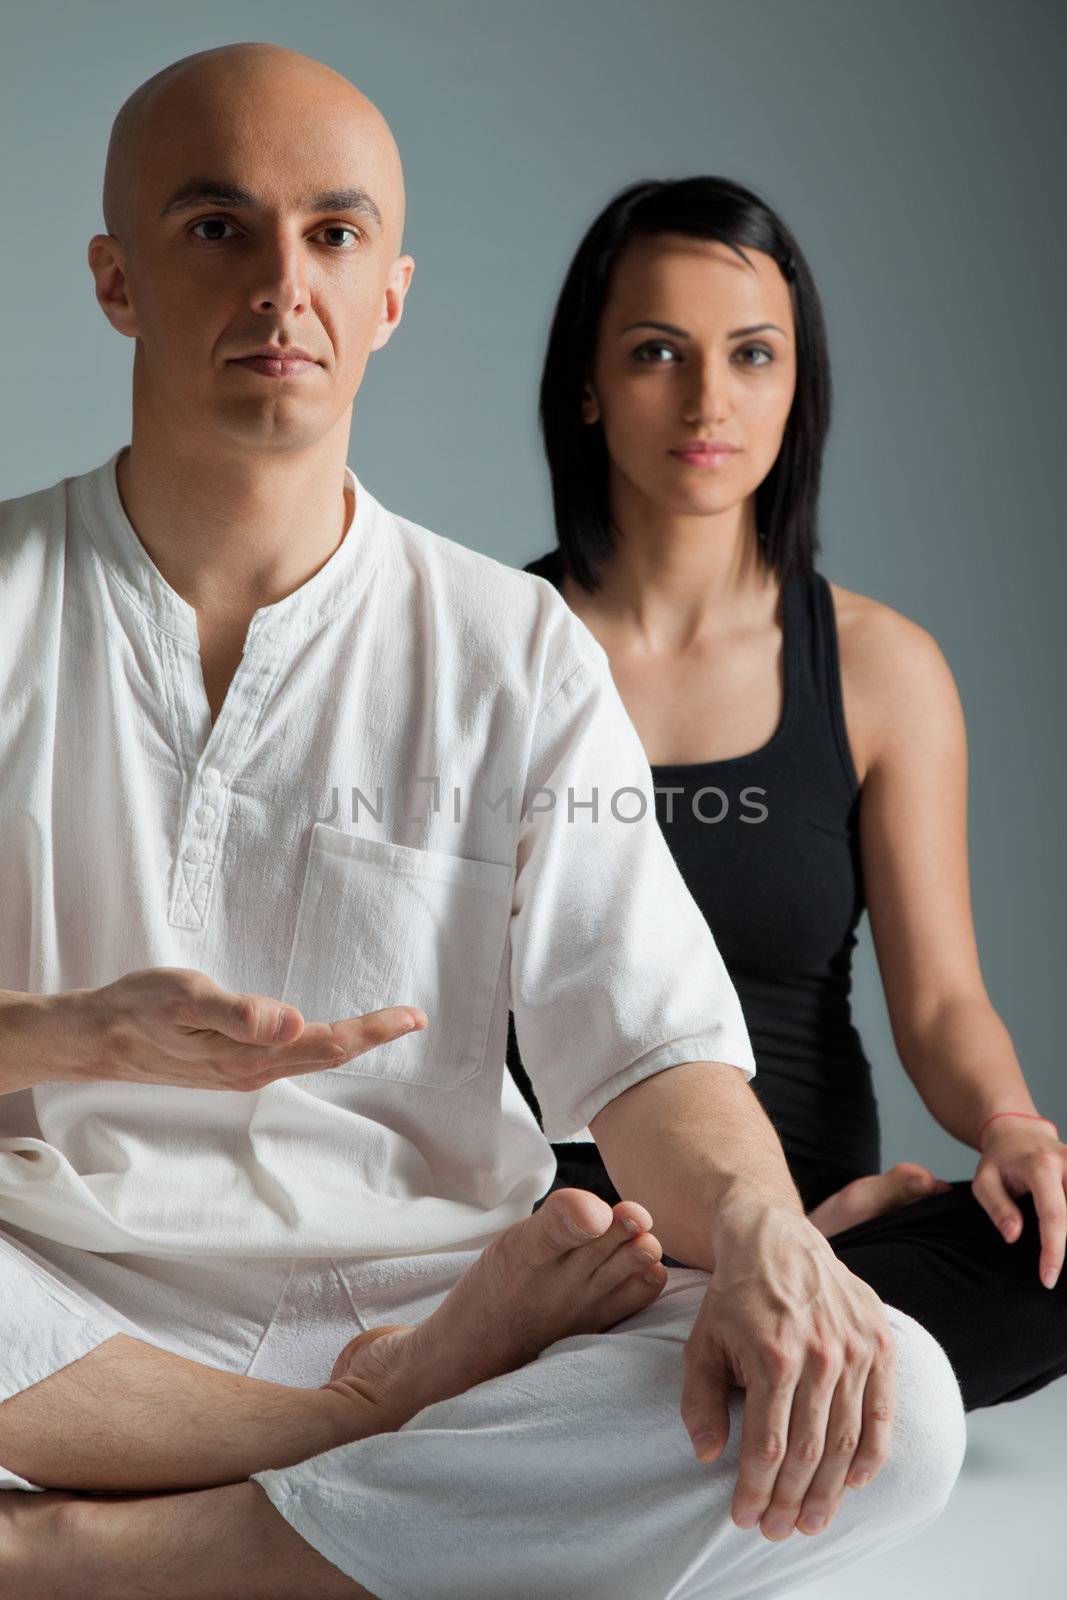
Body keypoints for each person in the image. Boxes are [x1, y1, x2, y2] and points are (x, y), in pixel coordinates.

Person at [0, 46, 968, 1599]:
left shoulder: (511, 650)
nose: (279, 286)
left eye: (330, 235)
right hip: (56, 1301)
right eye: (215, 230)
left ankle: (93, 1555)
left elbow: (648, 1052)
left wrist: (772, 1237)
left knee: (896, 1411)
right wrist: (76, 1038)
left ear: (388, 295)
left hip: (433, 1282)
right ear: (117, 280)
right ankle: (358, 1440)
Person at [508, 174, 1067, 1417]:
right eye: (657, 352)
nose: (708, 400)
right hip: (557, 1231)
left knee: (1050, 1250)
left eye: (750, 355)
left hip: (818, 1216)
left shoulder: (879, 666)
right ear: (588, 387)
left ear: (793, 385)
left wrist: (1011, 1123)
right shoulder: (490, 647)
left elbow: (937, 999)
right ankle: (763, 1365)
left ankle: (709, 1357)